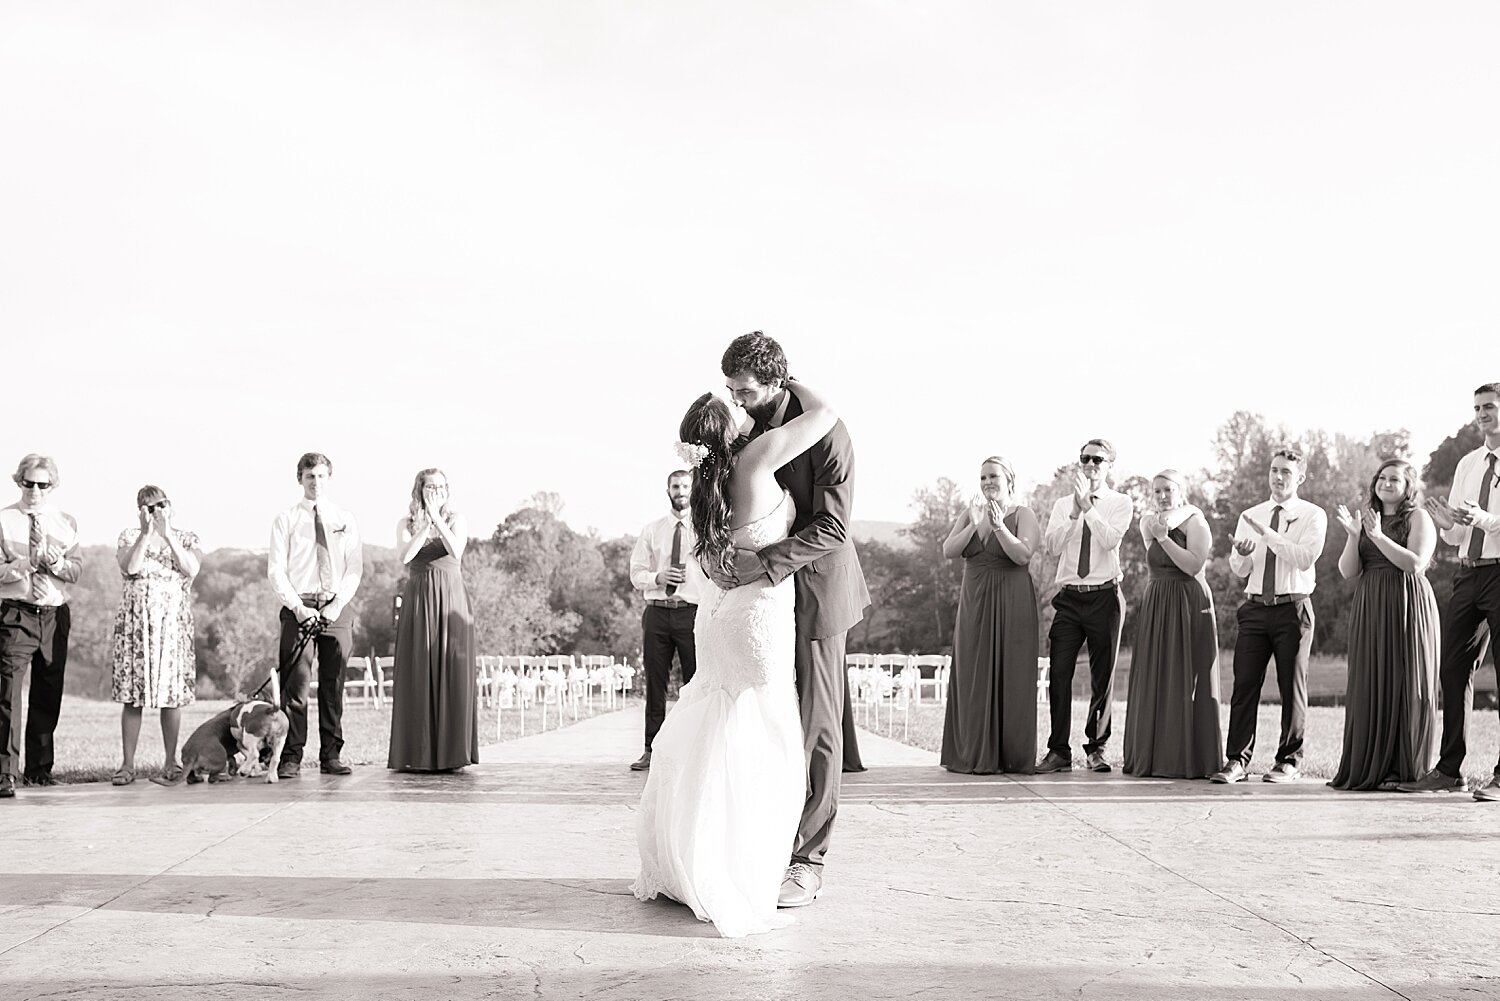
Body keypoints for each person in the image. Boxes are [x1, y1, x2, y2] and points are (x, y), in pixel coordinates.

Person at [633, 377, 838, 937]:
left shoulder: (704, 484)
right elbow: (823, 414)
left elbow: (708, 563)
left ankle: (689, 855)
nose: (744, 406)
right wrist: (784, 378)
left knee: (710, 721)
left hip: (716, 616)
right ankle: (743, 862)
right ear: (731, 429)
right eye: (736, 402)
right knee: (762, 733)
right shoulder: (753, 462)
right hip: (759, 616)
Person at [708, 332, 870, 908]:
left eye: (745, 391)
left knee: (819, 728)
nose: (738, 402)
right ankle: (762, 840)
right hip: (763, 603)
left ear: (776, 381)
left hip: (818, 595)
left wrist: (761, 564)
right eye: (730, 391)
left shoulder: (829, 431)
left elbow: (834, 528)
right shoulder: (744, 430)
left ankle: (809, 861)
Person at [1400, 382, 1500, 798]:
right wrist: (1448, 526)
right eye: (1477, 407)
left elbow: (1481, 521)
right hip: (1468, 573)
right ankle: (1449, 770)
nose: (1482, 413)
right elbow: (1460, 532)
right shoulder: (1468, 464)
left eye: (1490, 406)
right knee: (1453, 669)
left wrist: (1482, 520)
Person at [1212, 446, 1327, 784]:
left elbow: (1304, 558)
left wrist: (1269, 537)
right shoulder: (1251, 514)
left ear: (1300, 477)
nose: (1278, 477)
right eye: (1274, 470)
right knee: (1245, 686)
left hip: (1293, 608)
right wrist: (1243, 554)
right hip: (1254, 609)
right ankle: (1236, 761)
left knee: (1292, 686)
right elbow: (1241, 568)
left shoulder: (1313, 515)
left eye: (1286, 472)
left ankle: (1289, 761)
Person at [1330, 460, 1439, 791]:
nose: (1387, 483)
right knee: (1371, 679)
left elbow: (1415, 563)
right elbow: (1349, 572)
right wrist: (1355, 536)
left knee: (1404, 682)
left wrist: (1376, 536)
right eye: (1382, 477)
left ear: (1409, 487)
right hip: (1370, 605)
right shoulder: (1367, 519)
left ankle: (1401, 769)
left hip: (1407, 604)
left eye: (1395, 479)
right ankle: (1369, 766)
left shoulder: (1417, 517)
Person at [1037, 438, 1132, 774]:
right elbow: (1051, 546)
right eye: (1085, 459)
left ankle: (1096, 749)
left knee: (1101, 677)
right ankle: (1059, 751)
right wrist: (1075, 511)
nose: (1091, 465)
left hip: (1105, 596)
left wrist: (1088, 508)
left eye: (1098, 460)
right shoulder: (1064, 504)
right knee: (1059, 674)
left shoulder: (1121, 502)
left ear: (1109, 466)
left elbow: (1109, 540)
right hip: (1071, 598)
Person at [939, 456, 1039, 774]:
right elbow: (948, 549)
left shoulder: (1023, 514)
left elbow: (1023, 555)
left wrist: (998, 528)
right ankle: (971, 751)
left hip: (1012, 598)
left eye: (993, 476)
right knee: (972, 671)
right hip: (976, 600)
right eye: (982, 478)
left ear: (1009, 479)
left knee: (1012, 674)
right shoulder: (970, 512)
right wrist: (977, 523)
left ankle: (1010, 754)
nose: (987, 483)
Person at [267, 452, 363, 779]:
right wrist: (298, 607)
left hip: (336, 608)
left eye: (321, 476)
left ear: (329, 478)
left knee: (332, 686)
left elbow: (354, 569)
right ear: (300, 480)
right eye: (310, 477)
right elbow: (276, 571)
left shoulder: (345, 519)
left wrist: (336, 605)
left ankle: (331, 755)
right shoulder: (286, 520)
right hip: (299, 608)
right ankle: (291, 757)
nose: (316, 482)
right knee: (296, 687)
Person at [1122, 470, 1221, 779]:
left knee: (1187, 676)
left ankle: (1187, 756)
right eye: (1157, 491)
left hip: (1188, 601)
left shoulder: (1197, 523)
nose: (1162, 496)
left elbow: (1193, 565)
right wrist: (1177, 519)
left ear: (1181, 491)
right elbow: (1157, 538)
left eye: (1168, 490)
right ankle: (1153, 754)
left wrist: (1168, 535)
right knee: (1157, 674)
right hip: (1157, 603)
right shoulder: (1147, 522)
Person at [0, 455, 81, 797]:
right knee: (7, 696)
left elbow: (76, 571)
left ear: (52, 486)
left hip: (54, 614)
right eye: (29, 483)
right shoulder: (5, 521)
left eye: (42, 484)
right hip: (16, 614)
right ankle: (5, 774)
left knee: (48, 694)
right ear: (19, 482)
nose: (35, 490)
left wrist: (58, 563)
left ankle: (39, 770)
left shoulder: (65, 521)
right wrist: (28, 562)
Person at [388, 468, 478, 773]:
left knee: (452, 667)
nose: (436, 492)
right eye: (430, 488)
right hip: (419, 598)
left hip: (451, 598)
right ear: (419, 490)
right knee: (419, 667)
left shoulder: (457, 519)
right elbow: (404, 556)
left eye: (441, 487)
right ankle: (418, 751)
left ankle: (453, 752)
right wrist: (424, 526)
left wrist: (438, 518)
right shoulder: (406, 523)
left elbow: (456, 548)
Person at [110, 486, 201, 786]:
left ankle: (170, 762)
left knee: (170, 697)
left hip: (172, 626)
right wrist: (146, 533)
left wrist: (168, 533)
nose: (156, 511)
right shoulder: (128, 537)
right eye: (148, 507)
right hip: (136, 626)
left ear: (170, 505)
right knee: (132, 698)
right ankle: (127, 765)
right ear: (139, 511)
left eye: (160, 505)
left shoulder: (187, 538)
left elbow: (190, 569)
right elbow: (131, 567)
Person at [627, 469, 704, 771]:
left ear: (692, 489)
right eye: (675, 486)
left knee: (695, 683)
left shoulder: (703, 529)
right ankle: (651, 749)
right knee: (655, 684)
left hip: (691, 613)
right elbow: (635, 574)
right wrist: (656, 577)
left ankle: (695, 749)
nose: (681, 490)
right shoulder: (652, 530)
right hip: (657, 613)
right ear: (668, 490)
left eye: (685, 485)